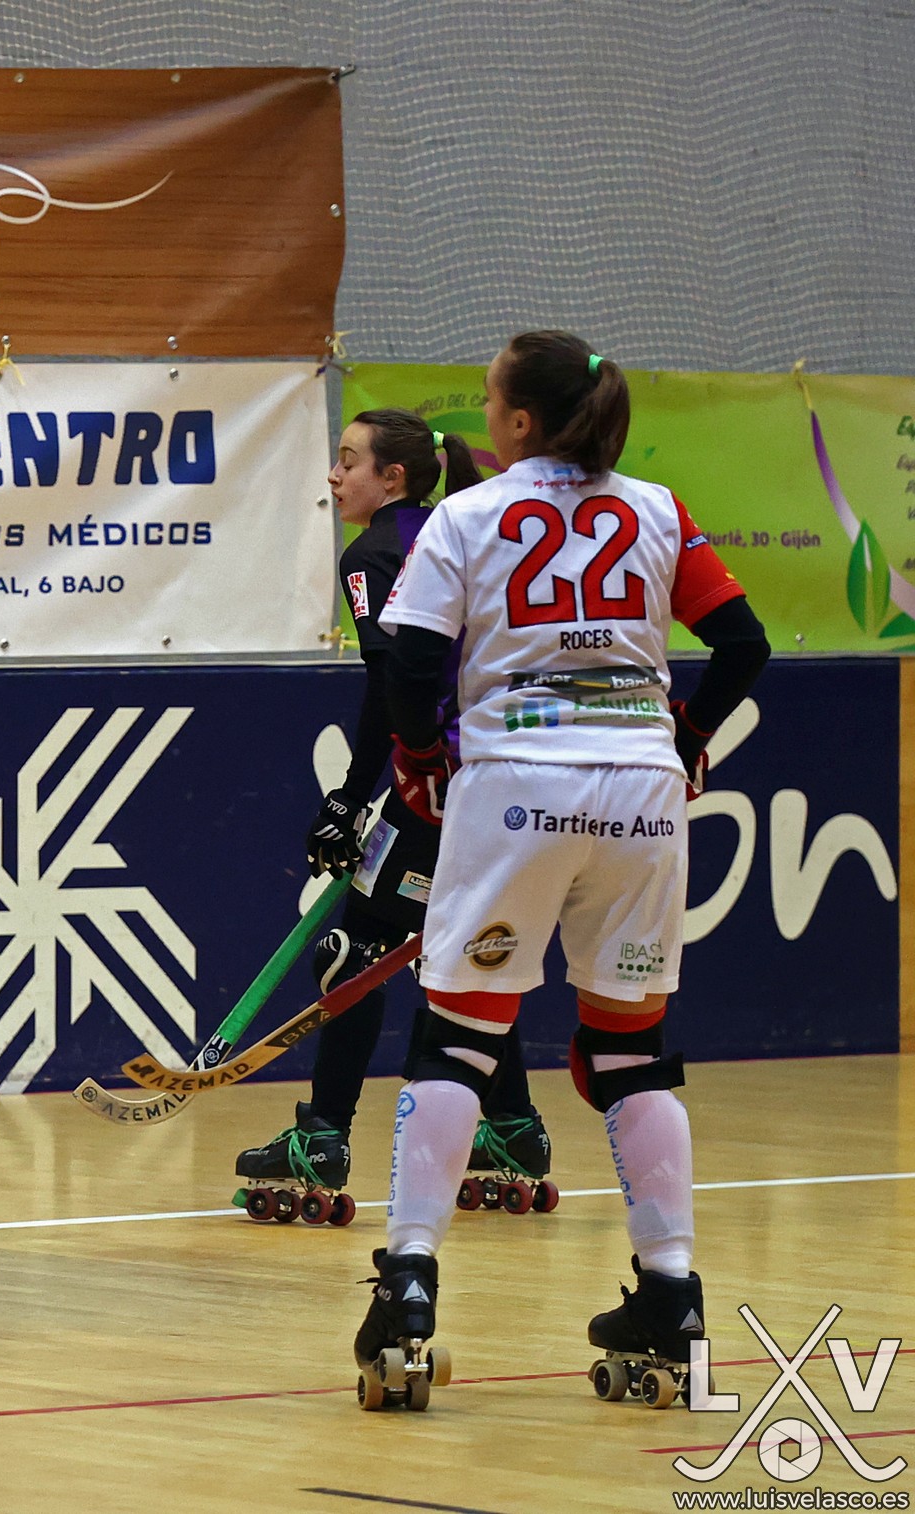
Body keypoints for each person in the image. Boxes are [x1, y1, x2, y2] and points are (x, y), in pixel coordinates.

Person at [350, 331, 769, 1411]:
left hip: (516, 783)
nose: (485, 413)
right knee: (629, 1049)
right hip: (639, 790)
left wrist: (418, 757)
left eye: (492, 397)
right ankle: (672, 1294)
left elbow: (406, 661)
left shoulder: (467, 514)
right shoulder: (658, 509)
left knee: (458, 1035)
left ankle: (406, 1285)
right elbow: (744, 645)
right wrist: (683, 738)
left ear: (521, 420)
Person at [238, 411, 550, 1218]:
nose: (333, 476)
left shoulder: (375, 552)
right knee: (463, 953)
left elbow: (392, 683)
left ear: (394, 478)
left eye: (348, 461)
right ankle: (513, 1127)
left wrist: (351, 795)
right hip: (511, 776)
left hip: (441, 785)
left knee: (356, 950)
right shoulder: (464, 533)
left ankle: (322, 1139)